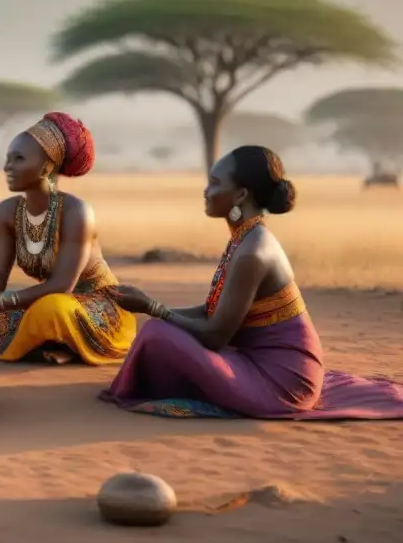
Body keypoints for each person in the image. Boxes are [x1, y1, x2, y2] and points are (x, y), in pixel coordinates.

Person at [101, 145, 403, 419]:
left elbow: (215, 335)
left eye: (215, 184)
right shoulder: (245, 238)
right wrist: (151, 305)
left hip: (283, 383)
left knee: (157, 333)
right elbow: (212, 312)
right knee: (162, 330)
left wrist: (152, 307)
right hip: (260, 363)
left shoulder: (253, 251)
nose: (206, 191)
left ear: (241, 195)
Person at [0, 112, 136, 365]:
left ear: (47, 166)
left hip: (96, 307)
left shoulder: (76, 212)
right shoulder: (5, 213)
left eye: (18, 159)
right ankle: (43, 344)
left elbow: (62, 286)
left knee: (51, 309)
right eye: (8, 159)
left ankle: (57, 343)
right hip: (43, 297)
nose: (8, 167)